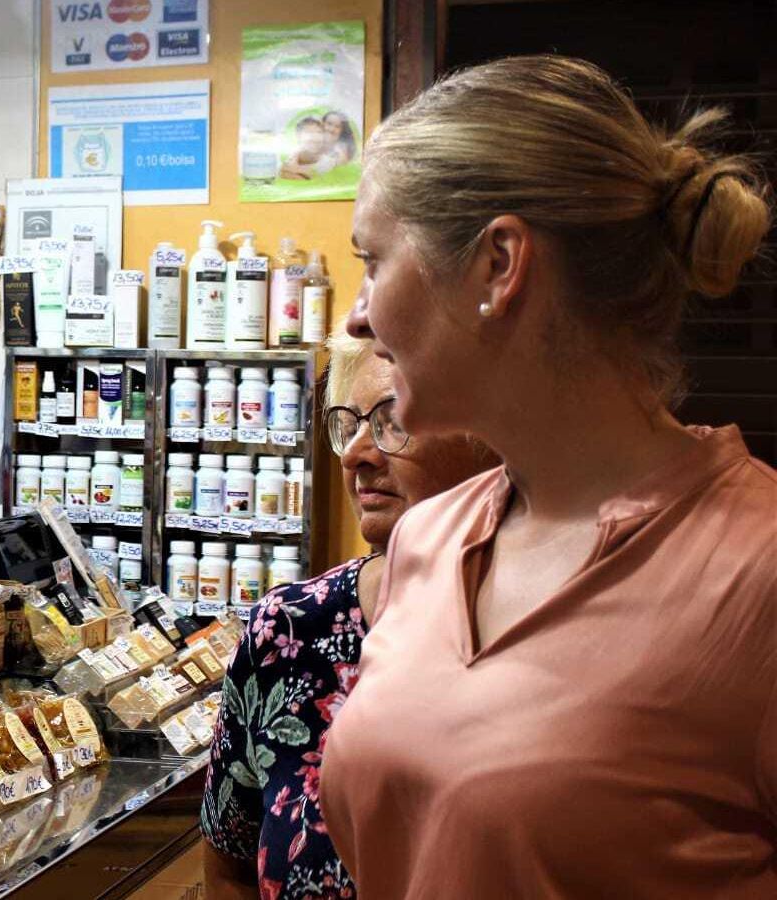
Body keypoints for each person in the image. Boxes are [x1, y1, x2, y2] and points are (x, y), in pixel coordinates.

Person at [322, 55, 777, 898]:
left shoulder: (756, 573)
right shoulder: (428, 541)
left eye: (372, 260)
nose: (357, 313)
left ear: (499, 263)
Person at [200, 324, 495, 900]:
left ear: (492, 436)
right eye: (348, 425)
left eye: (393, 422)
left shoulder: (551, 630)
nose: (357, 454)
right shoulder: (285, 631)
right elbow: (228, 859)